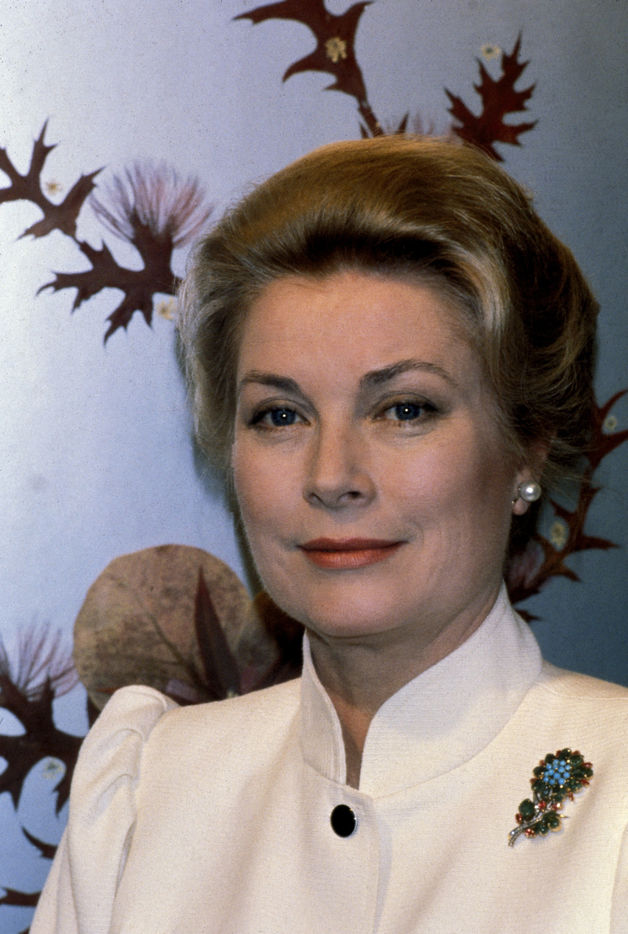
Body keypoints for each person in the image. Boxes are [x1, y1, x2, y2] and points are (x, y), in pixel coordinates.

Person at [31, 136, 628, 933]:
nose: (331, 475)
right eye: (281, 415)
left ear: (528, 447)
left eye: (405, 409)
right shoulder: (146, 796)